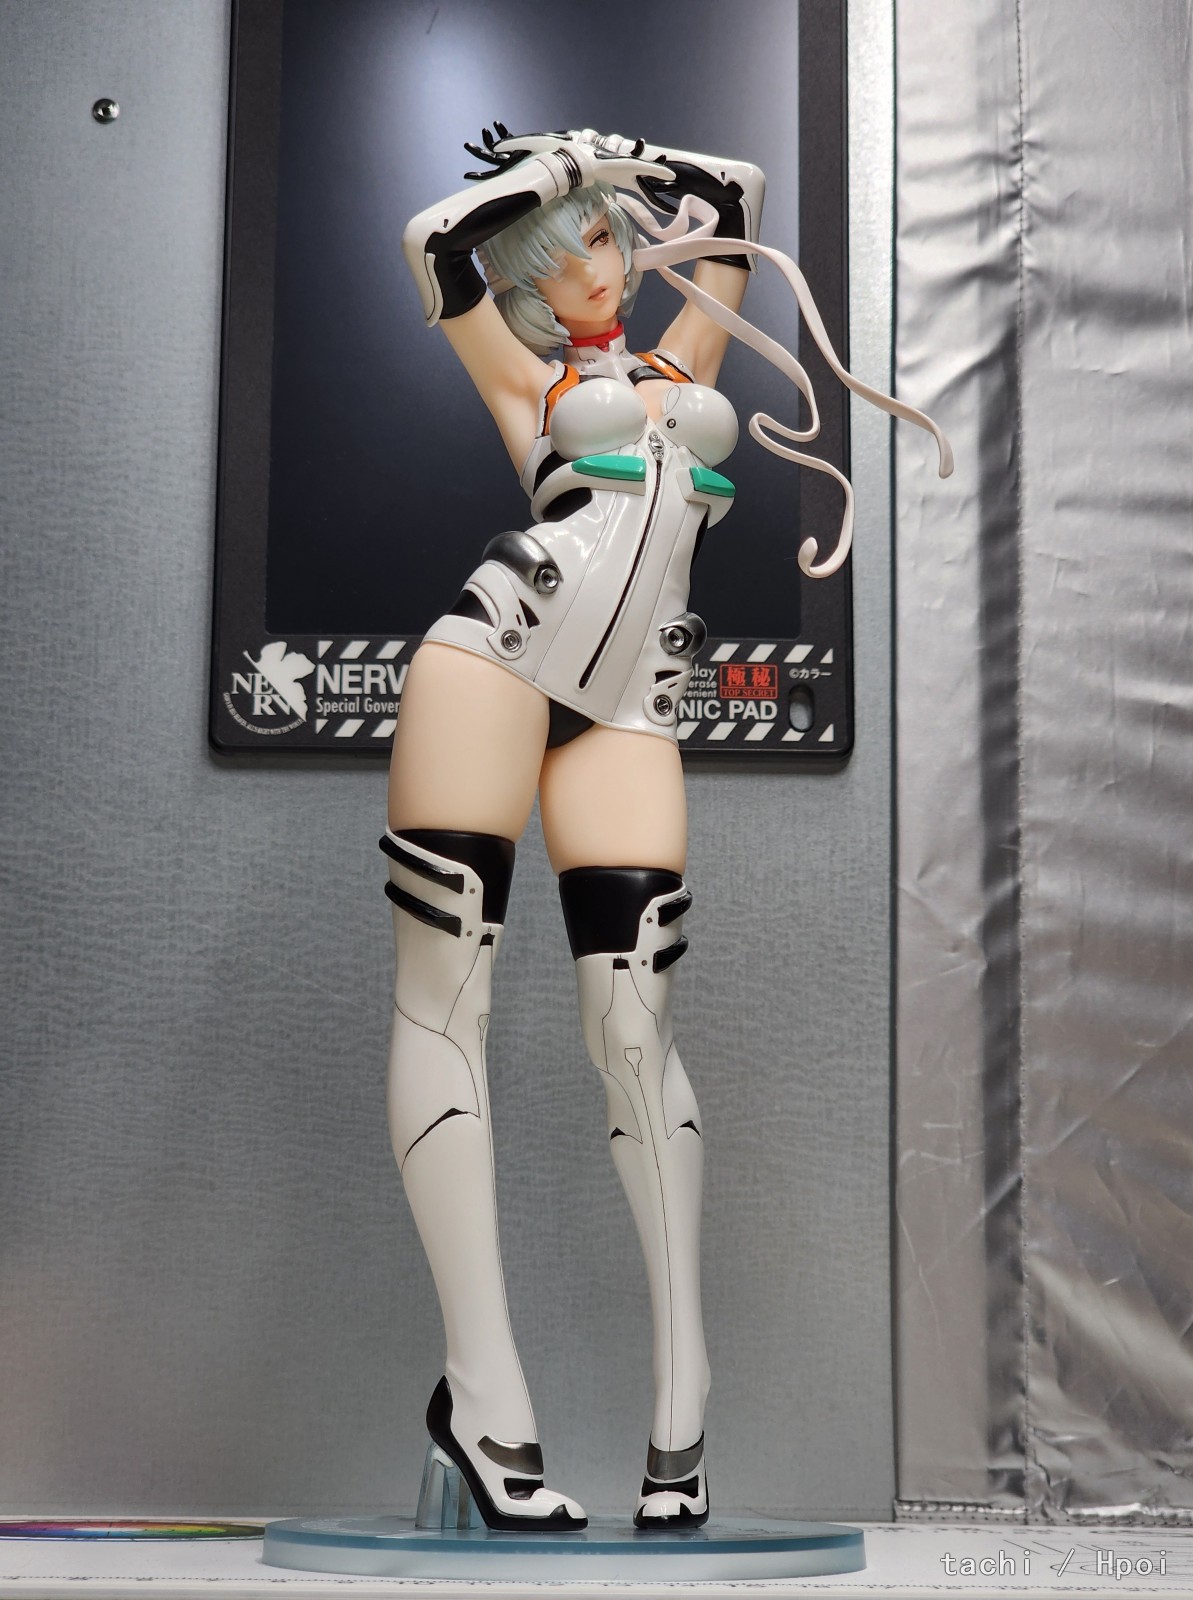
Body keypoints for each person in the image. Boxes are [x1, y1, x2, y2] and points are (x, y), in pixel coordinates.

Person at [382, 127, 950, 1533]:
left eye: (611, 234)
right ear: (524, 281)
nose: (605, 258)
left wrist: (618, 159)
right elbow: (429, 241)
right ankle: (483, 1398)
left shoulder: (680, 359)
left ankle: (683, 1402)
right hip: (496, 655)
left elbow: (734, 197)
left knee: (635, 1028)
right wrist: (552, 176)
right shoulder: (522, 374)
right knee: (446, 999)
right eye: (570, 248)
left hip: (631, 700)